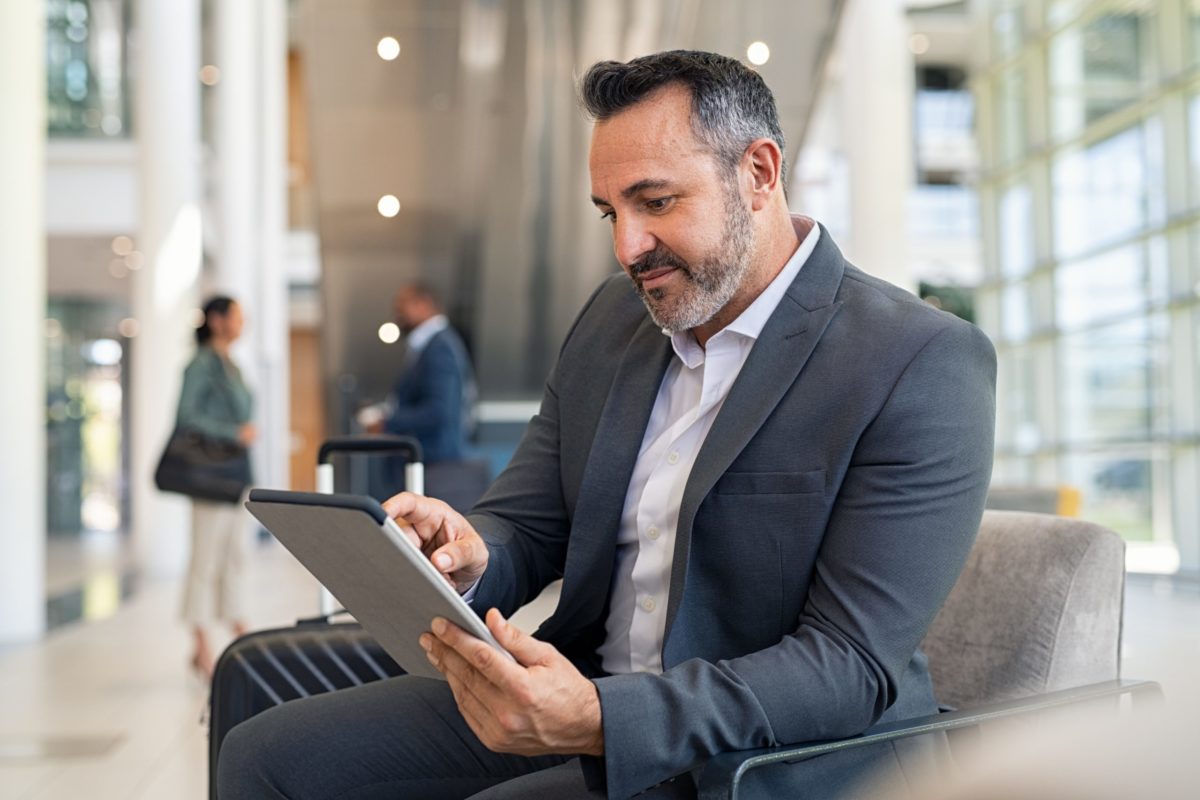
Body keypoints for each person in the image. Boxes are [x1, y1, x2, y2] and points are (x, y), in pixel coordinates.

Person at [219, 50, 995, 799]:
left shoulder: (917, 361)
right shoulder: (611, 323)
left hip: (770, 756)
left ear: (758, 174)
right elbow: (528, 522)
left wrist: (600, 719)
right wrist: (466, 553)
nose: (627, 247)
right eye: (609, 212)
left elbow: (847, 665)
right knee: (266, 755)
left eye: (656, 203)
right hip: (580, 690)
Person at [175, 295, 256, 677]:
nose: (244, 322)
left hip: (234, 476)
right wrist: (232, 433)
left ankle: (236, 623)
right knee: (205, 558)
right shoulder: (201, 365)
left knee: (233, 556)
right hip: (210, 477)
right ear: (217, 320)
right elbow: (187, 418)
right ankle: (201, 643)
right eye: (237, 315)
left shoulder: (231, 366)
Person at [363, 283, 476, 464]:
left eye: (402, 306)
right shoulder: (427, 346)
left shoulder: (440, 347)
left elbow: (438, 410)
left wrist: (388, 422)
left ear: (424, 304)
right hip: (425, 459)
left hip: (434, 461)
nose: (397, 314)